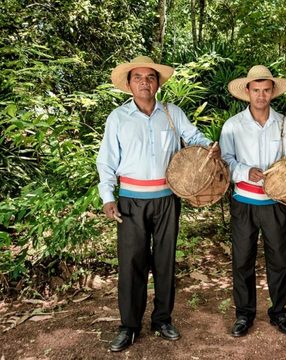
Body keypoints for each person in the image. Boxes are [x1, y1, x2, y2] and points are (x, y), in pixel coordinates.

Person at [97, 56, 219, 352]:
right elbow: (106, 160)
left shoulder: (172, 113)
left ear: (158, 83)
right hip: (131, 201)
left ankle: (162, 319)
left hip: (166, 199)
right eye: (137, 77)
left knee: (164, 262)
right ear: (129, 84)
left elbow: (193, 138)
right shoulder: (118, 118)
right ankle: (129, 326)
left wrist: (209, 149)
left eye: (150, 77)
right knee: (131, 264)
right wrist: (108, 197)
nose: (144, 82)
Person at [219, 65, 286, 337]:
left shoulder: (284, 124)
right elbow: (224, 163)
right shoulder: (233, 125)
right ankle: (244, 314)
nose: (260, 95)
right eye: (255, 90)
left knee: (279, 260)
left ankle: (278, 312)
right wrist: (247, 171)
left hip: (277, 203)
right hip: (244, 201)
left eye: (266, 90)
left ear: (272, 92)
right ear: (247, 92)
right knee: (243, 260)